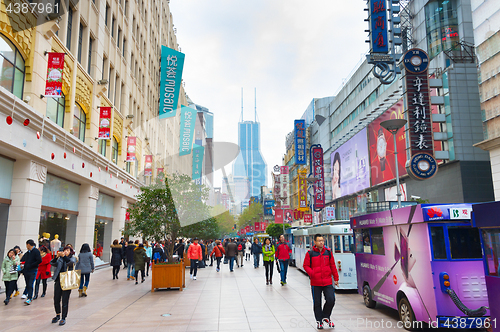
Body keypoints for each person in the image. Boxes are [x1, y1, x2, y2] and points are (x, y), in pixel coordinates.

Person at [303, 234, 339, 330]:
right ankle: (319, 321)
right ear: (315, 242)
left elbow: (333, 265)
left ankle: (326, 316)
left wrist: (336, 278)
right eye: (319, 241)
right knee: (317, 302)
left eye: (322, 240)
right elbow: (305, 265)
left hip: (327, 281)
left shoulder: (328, 252)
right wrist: (312, 273)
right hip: (315, 282)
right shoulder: (310, 253)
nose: (321, 242)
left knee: (331, 299)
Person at [51, 246, 77, 326]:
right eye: (64, 250)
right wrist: (56, 257)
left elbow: (70, 263)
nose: (65, 251)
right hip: (59, 280)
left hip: (67, 281)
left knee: (65, 300)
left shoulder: (73, 258)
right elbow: (52, 263)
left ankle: (63, 317)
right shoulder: (60, 259)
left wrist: (64, 257)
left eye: (68, 250)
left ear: (71, 251)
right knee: (56, 299)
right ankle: (58, 314)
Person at [21, 239, 42, 304]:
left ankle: (29, 298)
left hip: (33, 270)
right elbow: (22, 260)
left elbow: (39, 260)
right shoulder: (27, 253)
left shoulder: (36, 251)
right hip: (26, 271)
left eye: (26, 245)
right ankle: (28, 295)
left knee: (30, 284)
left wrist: (31, 265)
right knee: (28, 284)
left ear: (28, 245)